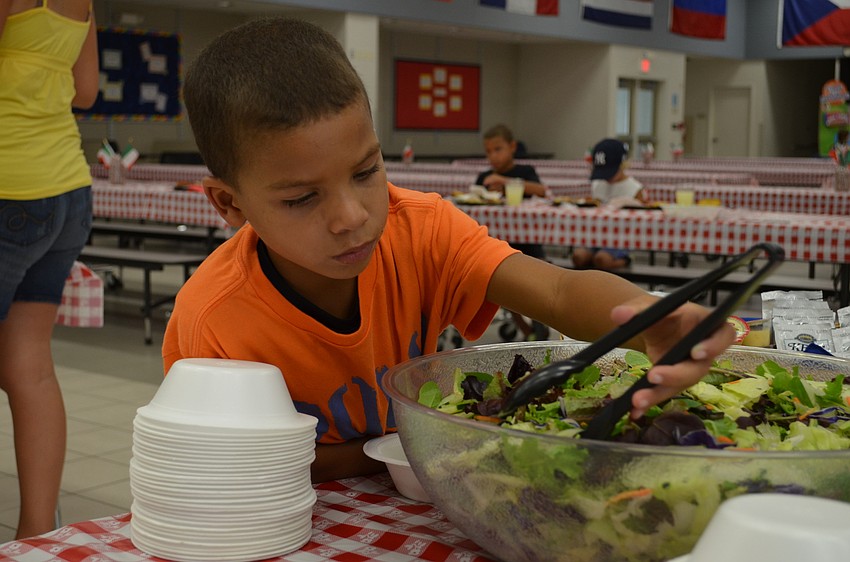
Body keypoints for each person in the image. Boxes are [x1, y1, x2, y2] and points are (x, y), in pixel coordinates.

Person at [164, 17, 734, 485]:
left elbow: (559, 291)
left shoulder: (420, 229)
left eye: (366, 171)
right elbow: (237, 465)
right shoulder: (214, 320)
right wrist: (418, 441)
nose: (352, 216)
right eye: (301, 198)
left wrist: (650, 319)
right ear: (229, 203)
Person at [0, 0, 98, 539]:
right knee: (30, 368)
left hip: (9, 184)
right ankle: (36, 537)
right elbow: (85, 91)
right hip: (67, 189)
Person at [476, 124, 549, 340]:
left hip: (528, 246)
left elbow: (541, 191)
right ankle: (526, 330)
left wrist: (506, 182)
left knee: (532, 281)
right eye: (488, 151)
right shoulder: (485, 177)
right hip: (495, 245)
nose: (493, 156)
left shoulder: (525, 172)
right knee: (500, 280)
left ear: (512, 147)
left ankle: (539, 323)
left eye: (498, 149)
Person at [572, 138, 646, 271]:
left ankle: (626, 259)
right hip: (596, 235)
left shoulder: (634, 188)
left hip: (621, 238)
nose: (606, 177)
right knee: (578, 257)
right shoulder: (597, 184)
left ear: (622, 165)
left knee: (602, 259)